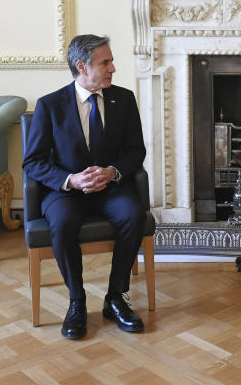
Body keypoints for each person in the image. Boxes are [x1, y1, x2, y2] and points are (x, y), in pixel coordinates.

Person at [23, 34, 147, 339]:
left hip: (110, 187)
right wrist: (72, 180)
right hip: (67, 190)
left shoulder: (124, 99)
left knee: (134, 215)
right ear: (82, 66)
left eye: (111, 61)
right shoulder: (50, 106)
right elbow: (33, 162)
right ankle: (76, 302)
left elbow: (135, 151)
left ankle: (115, 298)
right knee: (62, 222)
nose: (113, 68)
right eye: (105, 62)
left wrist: (111, 172)